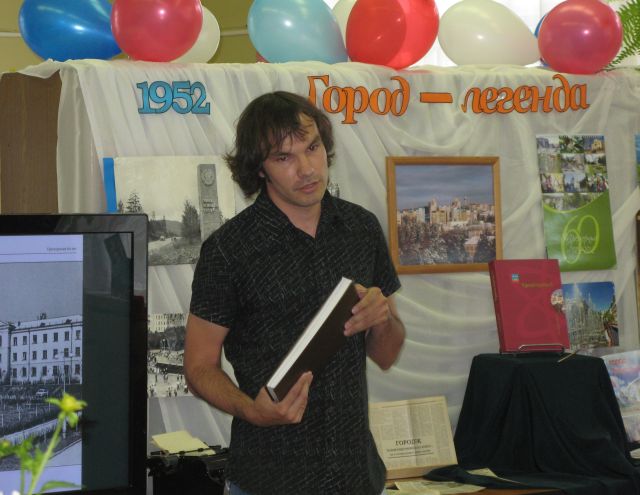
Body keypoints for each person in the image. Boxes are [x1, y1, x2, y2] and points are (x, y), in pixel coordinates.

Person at [184, 91, 405, 495]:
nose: (307, 169)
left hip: (356, 476)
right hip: (269, 478)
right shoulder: (229, 250)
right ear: (260, 169)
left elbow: (386, 355)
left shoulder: (361, 228)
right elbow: (198, 368)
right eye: (284, 157)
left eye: (313, 148)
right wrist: (252, 410)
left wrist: (383, 320)